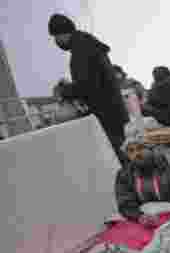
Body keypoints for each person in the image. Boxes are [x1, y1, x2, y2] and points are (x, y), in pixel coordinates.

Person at [48, 13, 129, 160]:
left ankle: (131, 181)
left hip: (106, 113)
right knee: (121, 153)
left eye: (55, 37)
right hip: (113, 110)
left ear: (62, 34)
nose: (56, 42)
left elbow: (86, 87)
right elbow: (92, 80)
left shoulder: (81, 50)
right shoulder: (88, 44)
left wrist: (63, 90)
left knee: (118, 158)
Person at [115, 136, 170, 221]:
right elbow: (125, 204)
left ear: (151, 150)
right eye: (131, 151)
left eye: (140, 148)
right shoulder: (124, 175)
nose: (136, 154)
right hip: (139, 220)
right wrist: (140, 216)